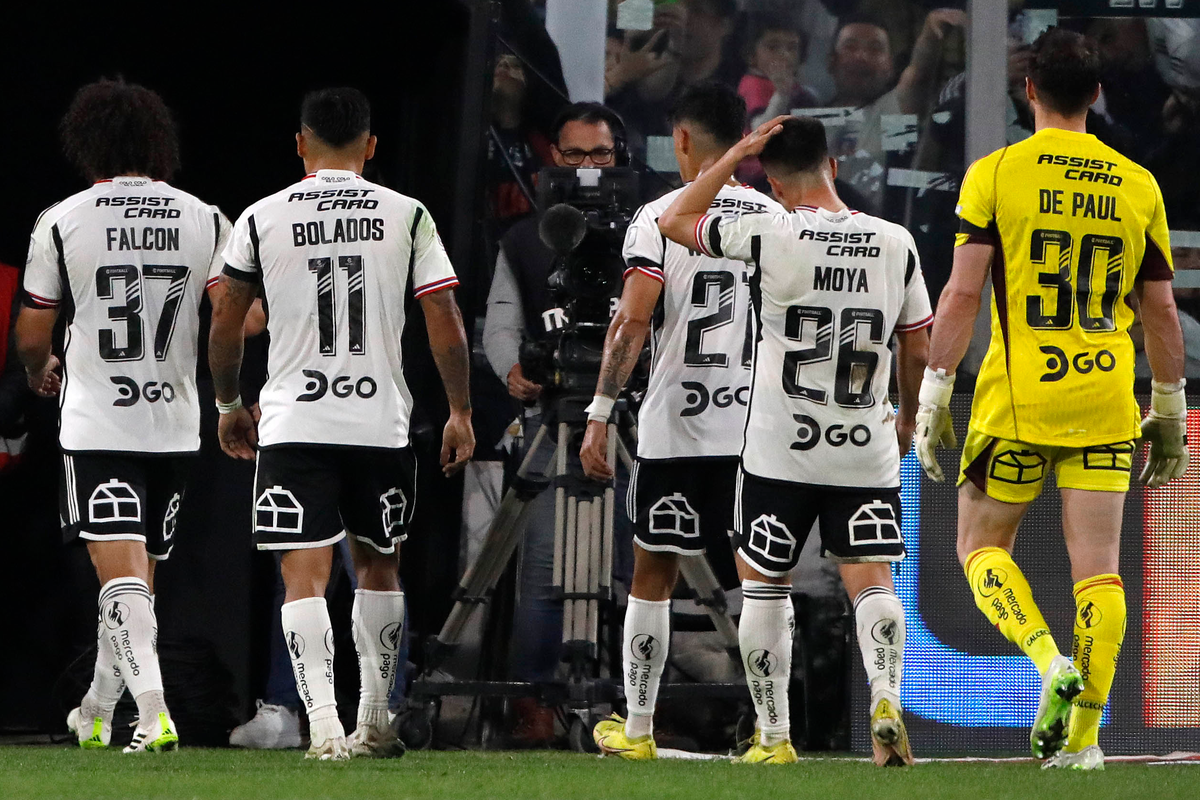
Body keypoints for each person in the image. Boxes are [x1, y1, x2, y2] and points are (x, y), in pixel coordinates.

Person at [913, 28, 1189, 771]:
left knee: (979, 546)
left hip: (1017, 400)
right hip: (1105, 395)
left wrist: (935, 391)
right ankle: (1087, 741)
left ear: (1026, 89)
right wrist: (1167, 408)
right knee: (1099, 569)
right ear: (1097, 95)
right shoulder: (1137, 184)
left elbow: (964, 292)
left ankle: (1045, 661)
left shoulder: (997, 173)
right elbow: (1161, 313)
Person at [208, 87, 474, 761]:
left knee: (304, 574)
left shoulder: (262, 217)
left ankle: (322, 725)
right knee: (380, 568)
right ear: (371, 147)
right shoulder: (408, 214)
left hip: (296, 419)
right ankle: (377, 719)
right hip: (376, 421)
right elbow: (444, 321)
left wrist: (228, 404)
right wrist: (460, 410)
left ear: (300, 143)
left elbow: (227, 321)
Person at [659, 114, 932, 766]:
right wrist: (906, 416)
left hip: (781, 444)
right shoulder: (895, 241)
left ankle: (775, 736)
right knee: (871, 580)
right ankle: (886, 695)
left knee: (764, 586)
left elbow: (675, 220)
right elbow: (917, 339)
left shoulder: (769, 230)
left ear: (775, 184)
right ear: (834, 167)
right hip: (863, 440)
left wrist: (735, 157)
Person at [16, 79, 231, 753]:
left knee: (122, 577)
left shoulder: (63, 218)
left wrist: (38, 367)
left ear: (85, 145)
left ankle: (153, 709)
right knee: (135, 580)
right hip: (173, 421)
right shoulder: (204, 217)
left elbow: (32, 329)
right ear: (158, 143)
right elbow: (236, 316)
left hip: (99, 422)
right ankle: (98, 711)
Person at [578, 82, 785, 760]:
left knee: (653, 574)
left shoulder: (658, 216)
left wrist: (601, 412)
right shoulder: (775, 218)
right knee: (760, 582)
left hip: (677, 428)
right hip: (756, 436)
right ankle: (772, 733)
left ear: (685, 141)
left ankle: (637, 729)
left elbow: (633, 320)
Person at [482, 101, 632, 744]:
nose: (588, 168)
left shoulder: (649, 231)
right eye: (574, 155)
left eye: (600, 155)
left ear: (619, 158)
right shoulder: (524, 238)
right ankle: (535, 702)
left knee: (630, 566)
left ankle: (629, 701)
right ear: (553, 158)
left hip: (629, 420)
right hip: (550, 419)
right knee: (543, 565)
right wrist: (512, 372)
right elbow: (499, 326)